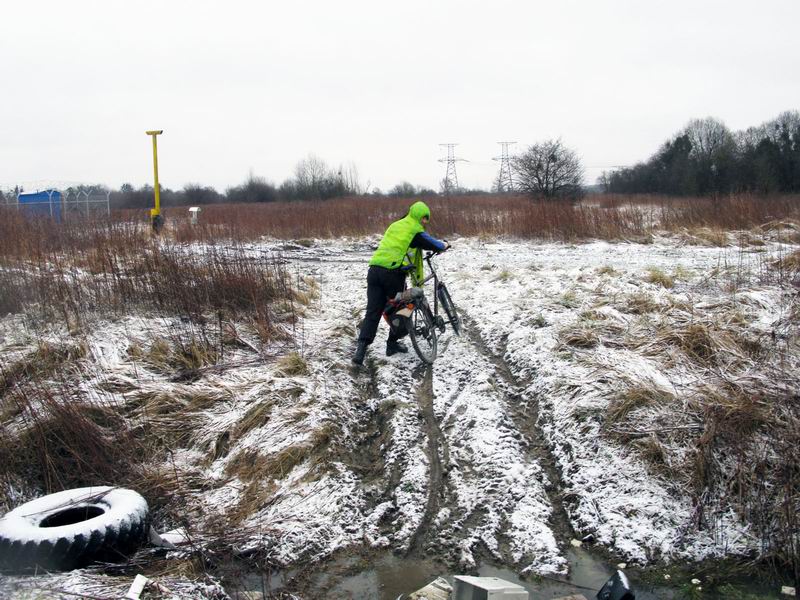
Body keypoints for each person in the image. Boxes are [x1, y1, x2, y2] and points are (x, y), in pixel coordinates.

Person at [352, 201, 449, 365]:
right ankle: (392, 343)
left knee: (373, 311)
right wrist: (445, 244)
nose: (425, 222)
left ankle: (360, 352)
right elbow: (434, 244)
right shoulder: (415, 228)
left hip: (374, 270)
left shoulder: (395, 225)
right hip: (392, 273)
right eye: (424, 218)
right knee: (405, 308)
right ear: (418, 216)